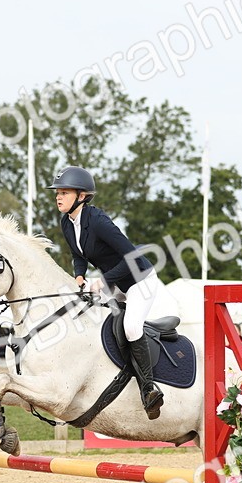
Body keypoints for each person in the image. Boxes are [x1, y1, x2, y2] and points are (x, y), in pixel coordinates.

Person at [49, 166, 164, 419]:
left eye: (64, 192)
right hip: (114, 282)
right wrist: (79, 274)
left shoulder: (98, 221)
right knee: (85, 317)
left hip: (139, 280)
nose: (58, 197)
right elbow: (78, 255)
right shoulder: (66, 222)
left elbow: (131, 256)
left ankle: (149, 388)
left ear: (81, 196)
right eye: (57, 192)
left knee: (132, 327)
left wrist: (103, 280)